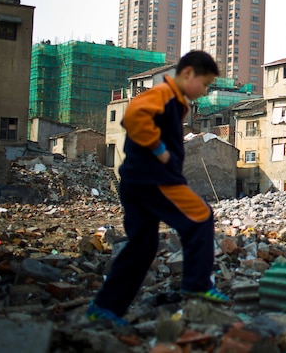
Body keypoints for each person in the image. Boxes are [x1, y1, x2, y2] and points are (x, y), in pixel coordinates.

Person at [87, 51, 229, 325]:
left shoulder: (175, 102)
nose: (205, 91)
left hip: (135, 181)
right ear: (188, 74)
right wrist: (160, 149)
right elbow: (133, 118)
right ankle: (197, 283)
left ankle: (105, 307)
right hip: (155, 179)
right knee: (200, 216)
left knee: (143, 244)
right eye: (206, 83)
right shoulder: (162, 93)